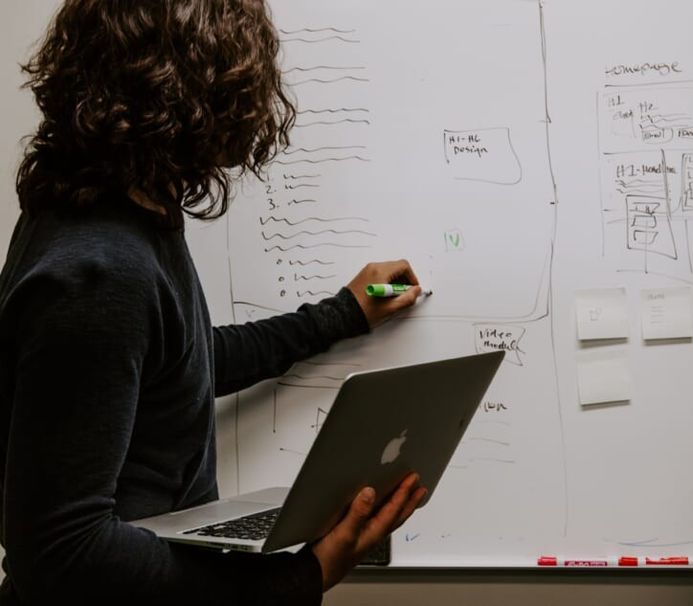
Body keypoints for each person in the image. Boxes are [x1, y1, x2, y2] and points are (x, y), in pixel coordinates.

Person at [0, 1, 428, 604]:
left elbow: (179, 366)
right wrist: (300, 579)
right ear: (198, 95)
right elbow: (61, 552)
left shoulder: (121, 212)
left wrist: (343, 314)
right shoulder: (99, 271)